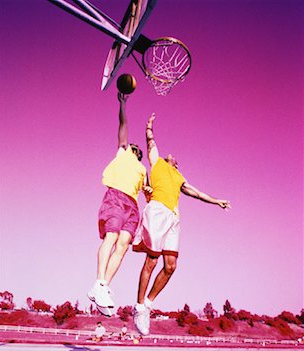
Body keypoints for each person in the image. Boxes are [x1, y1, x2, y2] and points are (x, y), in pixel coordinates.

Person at [132, 113, 231, 335]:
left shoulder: (178, 176)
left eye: (175, 157)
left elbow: (195, 193)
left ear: (177, 164)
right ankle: (138, 307)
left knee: (171, 266)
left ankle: (148, 304)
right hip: (157, 210)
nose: (171, 155)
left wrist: (216, 201)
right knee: (151, 260)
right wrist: (148, 128)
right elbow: (150, 143)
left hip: (174, 218)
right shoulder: (156, 162)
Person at [88, 94, 151, 316]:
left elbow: (148, 194)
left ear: (139, 155)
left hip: (132, 206)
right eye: (131, 146)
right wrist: (123, 105)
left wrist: (150, 193)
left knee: (123, 246)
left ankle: (103, 286)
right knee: (111, 238)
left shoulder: (143, 171)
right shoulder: (122, 152)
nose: (133, 147)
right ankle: (98, 281)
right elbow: (123, 125)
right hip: (115, 197)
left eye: (136, 148)